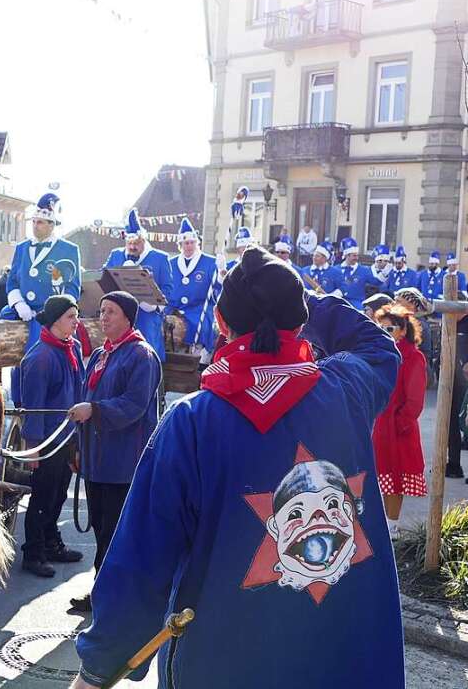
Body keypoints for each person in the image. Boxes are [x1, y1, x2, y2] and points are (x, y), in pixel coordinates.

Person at [71, 247, 403, 689]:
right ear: (300, 322)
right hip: (347, 664)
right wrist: (295, 296)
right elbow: (379, 347)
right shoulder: (348, 390)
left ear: (222, 325)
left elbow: (140, 563)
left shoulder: (192, 423)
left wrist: (98, 669)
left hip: (225, 663)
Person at [66, 291, 161, 613]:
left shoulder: (140, 356)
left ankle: (116, 597)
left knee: (116, 530)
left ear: (128, 318)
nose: (103, 317)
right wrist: (78, 445)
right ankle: (104, 591)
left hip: (123, 461)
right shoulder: (101, 355)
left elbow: (134, 405)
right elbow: (87, 396)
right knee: (101, 527)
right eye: (102, 311)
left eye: (111, 312)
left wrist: (93, 409)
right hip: (97, 458)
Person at [15, 295, 85, 577]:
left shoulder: (73, 348)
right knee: (42, 496)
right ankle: (33, 552)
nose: (76, 322)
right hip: (47, 439)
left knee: (58, 494)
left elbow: (79, 391)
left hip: (67, 434)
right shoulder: (40, 357)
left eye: (76, 316)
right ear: (56, 320)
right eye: (71, 317)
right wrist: (33, 448)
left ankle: (50, 542)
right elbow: (33, 407)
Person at [372, 303, 427, 537]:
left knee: (394, 479)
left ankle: (392, 527)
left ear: (403, 330)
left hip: (397, 429)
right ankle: (385, 525)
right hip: (379, 425)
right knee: (381, 477)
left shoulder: (413, 357)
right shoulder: (381, 354)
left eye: (390, 328)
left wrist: (398, 424)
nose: (385, 333)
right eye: (380, 328)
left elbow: (415, 401)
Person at [0, 193, 82, 349]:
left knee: (41, 351)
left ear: (51, 225)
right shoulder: (22, 247)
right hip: (21, 310)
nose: (35, 225)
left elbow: (73, 287)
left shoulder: (68, 249)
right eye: (34, 222)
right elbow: (12, 282)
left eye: (41, 222)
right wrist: (19, 304)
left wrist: (56, 311)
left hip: (50, 315)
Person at [104, 208, 174, 361]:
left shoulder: (160, 258)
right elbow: (103, 279)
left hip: (146, 319)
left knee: (146, 358)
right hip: (119, 317)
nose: (132, 247)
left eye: (136, 243)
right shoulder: (116, 255)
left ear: (144, 240)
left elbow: (169, 289)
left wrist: (155, 305)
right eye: (129, 243)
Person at [168, 218, 217, 355]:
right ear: (180, 245)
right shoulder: (171, 263)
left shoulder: (210, 262)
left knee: (201, 326)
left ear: (197, 243)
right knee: (162, 326)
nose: (189, 246)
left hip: (199, 308)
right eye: (185, 243)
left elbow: (217, 290)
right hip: (174, 308)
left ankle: (199, 359)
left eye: (191, 243)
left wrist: (220, 276)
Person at [336, 236, 374, 310]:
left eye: (357, 255)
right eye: (354, 256)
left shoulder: (364, 270)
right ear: (347, 255)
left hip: (357, 306)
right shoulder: (335, 269)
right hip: (339, 305)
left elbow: (376, 282)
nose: (356, 258)